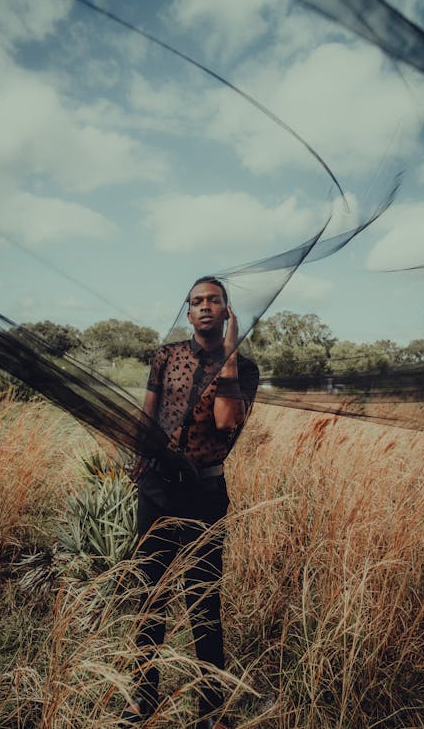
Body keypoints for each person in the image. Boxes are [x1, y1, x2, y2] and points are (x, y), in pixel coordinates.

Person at [121, 276, 259, 729]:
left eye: (214, 301)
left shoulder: (245, 368)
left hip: (204, 494)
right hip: (158, 491)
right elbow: (149, 412)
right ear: (188, 311)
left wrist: (232, 351)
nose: (204, 307)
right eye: (197, 301)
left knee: (203, 601)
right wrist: (139, 455)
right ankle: (142, 699)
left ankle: (212, 711)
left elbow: (224, 422)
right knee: (150, 596)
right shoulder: (167, 356)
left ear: (227, 311)